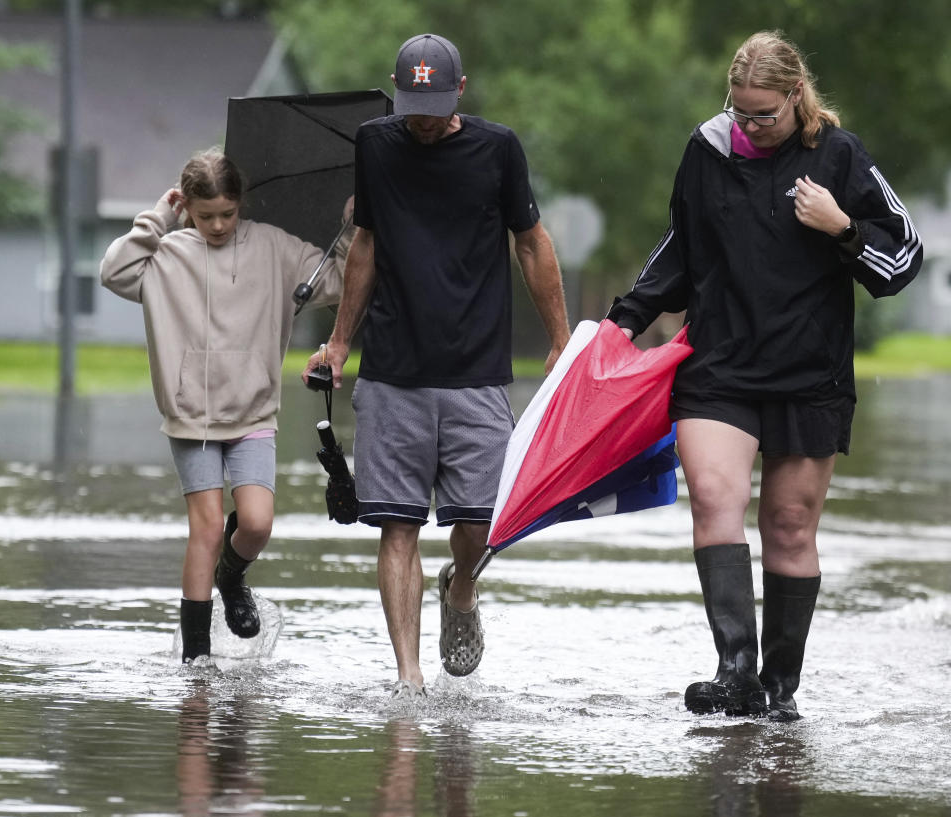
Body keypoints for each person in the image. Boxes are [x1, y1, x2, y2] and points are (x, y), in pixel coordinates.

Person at [607, 31, 922, 720]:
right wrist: (619, 323)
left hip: (809, 374)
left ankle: (780, 687)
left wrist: (842, 227)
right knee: (715, 498)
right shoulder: (707, 152)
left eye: (764, 115)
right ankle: (736, 670)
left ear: (795, 96)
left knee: (787, 523)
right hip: (718, 367)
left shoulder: (838, 156)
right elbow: (679, 251)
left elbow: (904, 260)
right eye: (740, 111)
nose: (749, 126)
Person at [304, 33, 570, 703]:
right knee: (397, 523)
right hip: (393, 367)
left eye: (433, 103)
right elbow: (363, 243)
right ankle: (408, 675)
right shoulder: (376, 144)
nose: (420, 117)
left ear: (461, 89)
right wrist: (339, 343)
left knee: (479, 525)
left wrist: (561, 340)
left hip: (478, 368)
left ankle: (462, 586)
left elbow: (532, 243)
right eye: (409, 103)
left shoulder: (497, 148)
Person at [101, 148, 351, 664]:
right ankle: (196, 660)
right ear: (186, 205)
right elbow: (114, 271)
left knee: (256, 524)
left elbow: (338, 281)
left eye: (228, 213)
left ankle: (230, 576)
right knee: (209, 527)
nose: (217, 225)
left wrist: (351, 231)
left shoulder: (274, 248)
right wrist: (157, 219)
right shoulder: (164, 257)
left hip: (254, 413)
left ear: (241, 204)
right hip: (191, 417)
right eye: (204, 213)